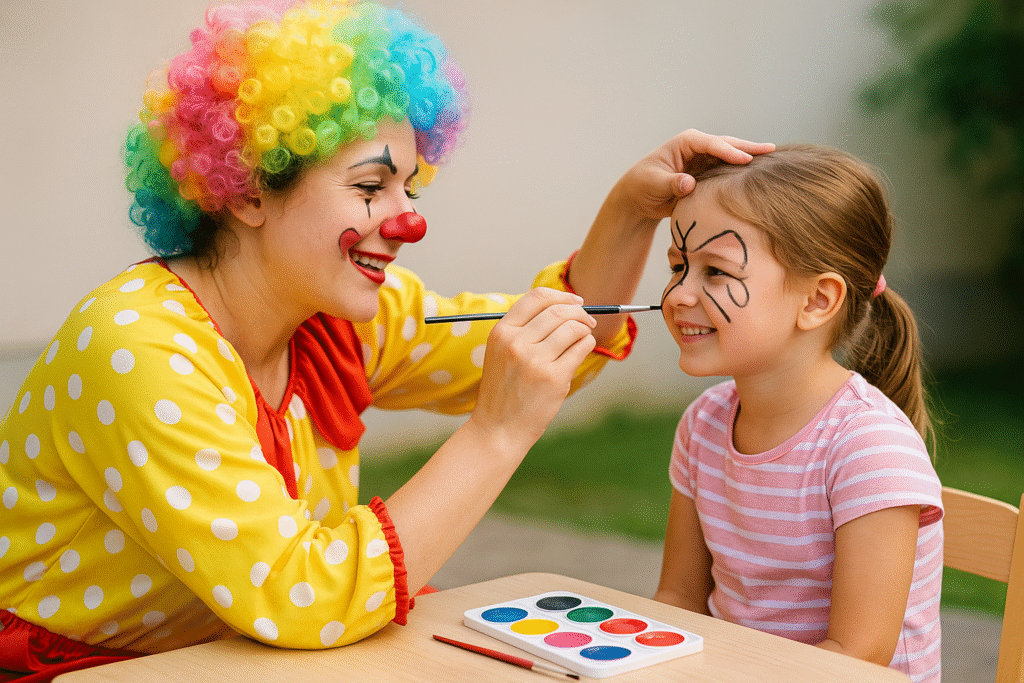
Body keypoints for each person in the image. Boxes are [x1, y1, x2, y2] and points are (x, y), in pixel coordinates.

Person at [0, 1, 772, 679]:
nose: (407, 221)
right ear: (245, 188)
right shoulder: (138, 347)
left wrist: (630, 212)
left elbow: (541, 348)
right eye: (370, 187)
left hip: (248, 657)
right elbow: (301, 595)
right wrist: (497, 433)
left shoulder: (337, 316)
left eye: (411, 188)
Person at [652, 145, 943, 683]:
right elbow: (679, 599)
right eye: (678, 266)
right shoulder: (705, 422)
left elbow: (858, 654)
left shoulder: (869, 447)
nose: (677, 295)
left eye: (714, 271)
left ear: (817, 300)